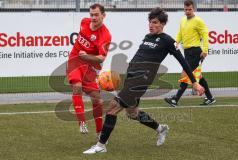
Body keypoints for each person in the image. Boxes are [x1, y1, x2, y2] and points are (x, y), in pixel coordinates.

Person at [83, 7, 205, 154]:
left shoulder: (168, 41)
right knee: (132, 113)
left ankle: (101, 145)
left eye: (154, 22)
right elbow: (139, 57)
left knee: (113, 108)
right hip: (131, 77)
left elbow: (183, 62)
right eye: (150, 22)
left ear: (162, 24)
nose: (151, 25)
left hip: (142, 79)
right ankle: (161, 129)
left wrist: (195, 82)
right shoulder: (148, 37)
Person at [67, 3, 111, 136]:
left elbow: (101, 58)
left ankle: (99, 132)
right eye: (91, 14)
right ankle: (81, 122)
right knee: (77, 86)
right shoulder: (84, 22)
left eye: (96, 15)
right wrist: (82, 55)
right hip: (74, 60)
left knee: (97, 100)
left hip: (89, 66)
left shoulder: (105, 35)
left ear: (103, 15)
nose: (93, 17)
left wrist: (86, 56)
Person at [164, 0, 216, 107]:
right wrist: (175, 43)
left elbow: (205, 35)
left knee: (186, 74)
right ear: (184, 9)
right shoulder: (182, 20)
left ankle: (175, 99)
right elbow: (180, 33)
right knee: (198, 76)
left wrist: (205, 50)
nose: (187, 11)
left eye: (190, 9)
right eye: (186, 9)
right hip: (187, 52)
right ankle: (210, 98)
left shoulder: (198, 21)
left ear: (194, 9)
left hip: (196, 51)